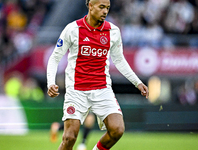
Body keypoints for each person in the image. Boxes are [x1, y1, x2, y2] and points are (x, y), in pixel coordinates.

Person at [47, 0, 149, 150]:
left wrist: (137, 82)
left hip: (102, 89)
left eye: (107, 8)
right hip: (77, 90)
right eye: (101, 7)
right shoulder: (73, 29)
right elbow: (55, 57)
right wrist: (50, 82)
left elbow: (119, 60)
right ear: (90, 5)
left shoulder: (113, 31)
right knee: (69, 137)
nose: (105, 11)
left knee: (117, 129)